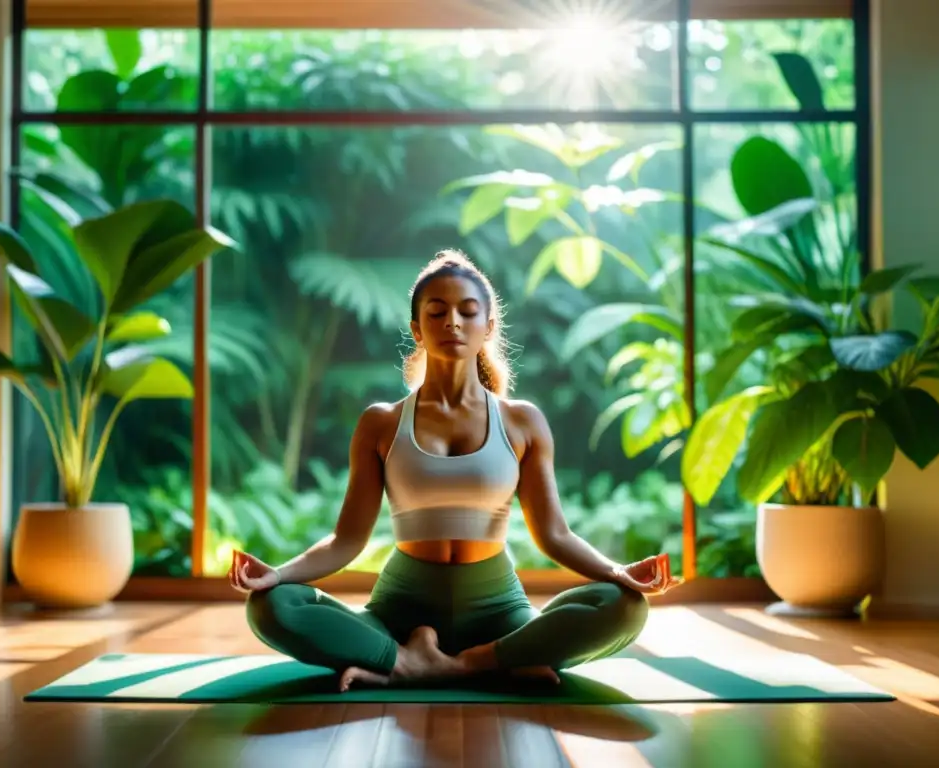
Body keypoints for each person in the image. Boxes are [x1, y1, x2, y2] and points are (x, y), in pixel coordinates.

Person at [228, 249, 681, 692]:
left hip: (499, 611)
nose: (453, 322)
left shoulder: (521, 422)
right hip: (399, 613)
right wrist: (278, 574)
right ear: (417, 329)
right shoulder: (381, 422)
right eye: (437, 311)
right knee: (271, 606)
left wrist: (617, 572)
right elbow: (347, 540)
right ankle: (420, 658)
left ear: (488, 326)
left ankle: (462, 663)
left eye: (467, 311)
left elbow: (555, 536)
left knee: (624, 608)